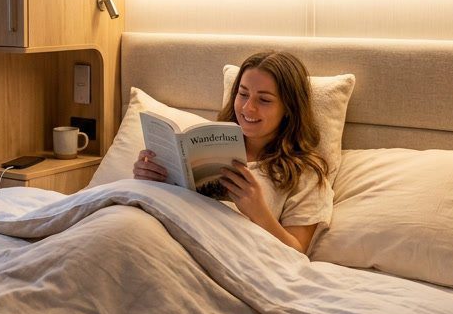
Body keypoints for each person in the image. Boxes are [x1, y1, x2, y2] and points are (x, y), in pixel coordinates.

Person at [133, 51, 331, 253]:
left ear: (289, 108)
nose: (248, 108)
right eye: (243, 94)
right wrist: (149, 179)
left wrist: (259, 212)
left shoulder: (306, 174)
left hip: (221, 254)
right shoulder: (203, 144)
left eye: (264, 100)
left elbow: (297, 252)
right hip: (164, 233)